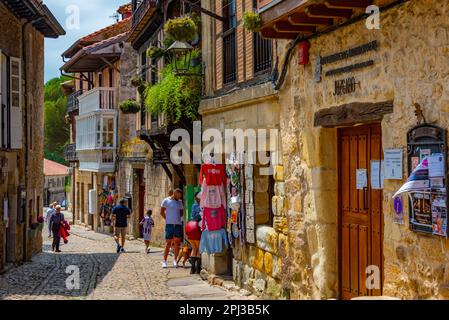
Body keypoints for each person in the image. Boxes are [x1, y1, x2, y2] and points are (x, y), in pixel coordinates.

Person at [160, 188, 184, 268]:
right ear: (174, 193)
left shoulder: (180, 202)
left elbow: (181, 212)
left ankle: (175, 260)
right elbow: (162, 212)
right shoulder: (166, 200)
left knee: (177, 243)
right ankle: (164, 261)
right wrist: (168, 219)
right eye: (178, 195)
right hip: (169, 224)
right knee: (168, 243)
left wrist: (176, 219)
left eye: (180, 195)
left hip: (178, 224)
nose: (179, 197)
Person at [186, 192, 202, 274]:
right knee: (198, 248)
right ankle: (198, 269)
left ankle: (192, 269)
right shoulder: (201, 205)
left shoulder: (193, 205)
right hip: (196, 227)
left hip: (190, 226)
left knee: (194, 248)